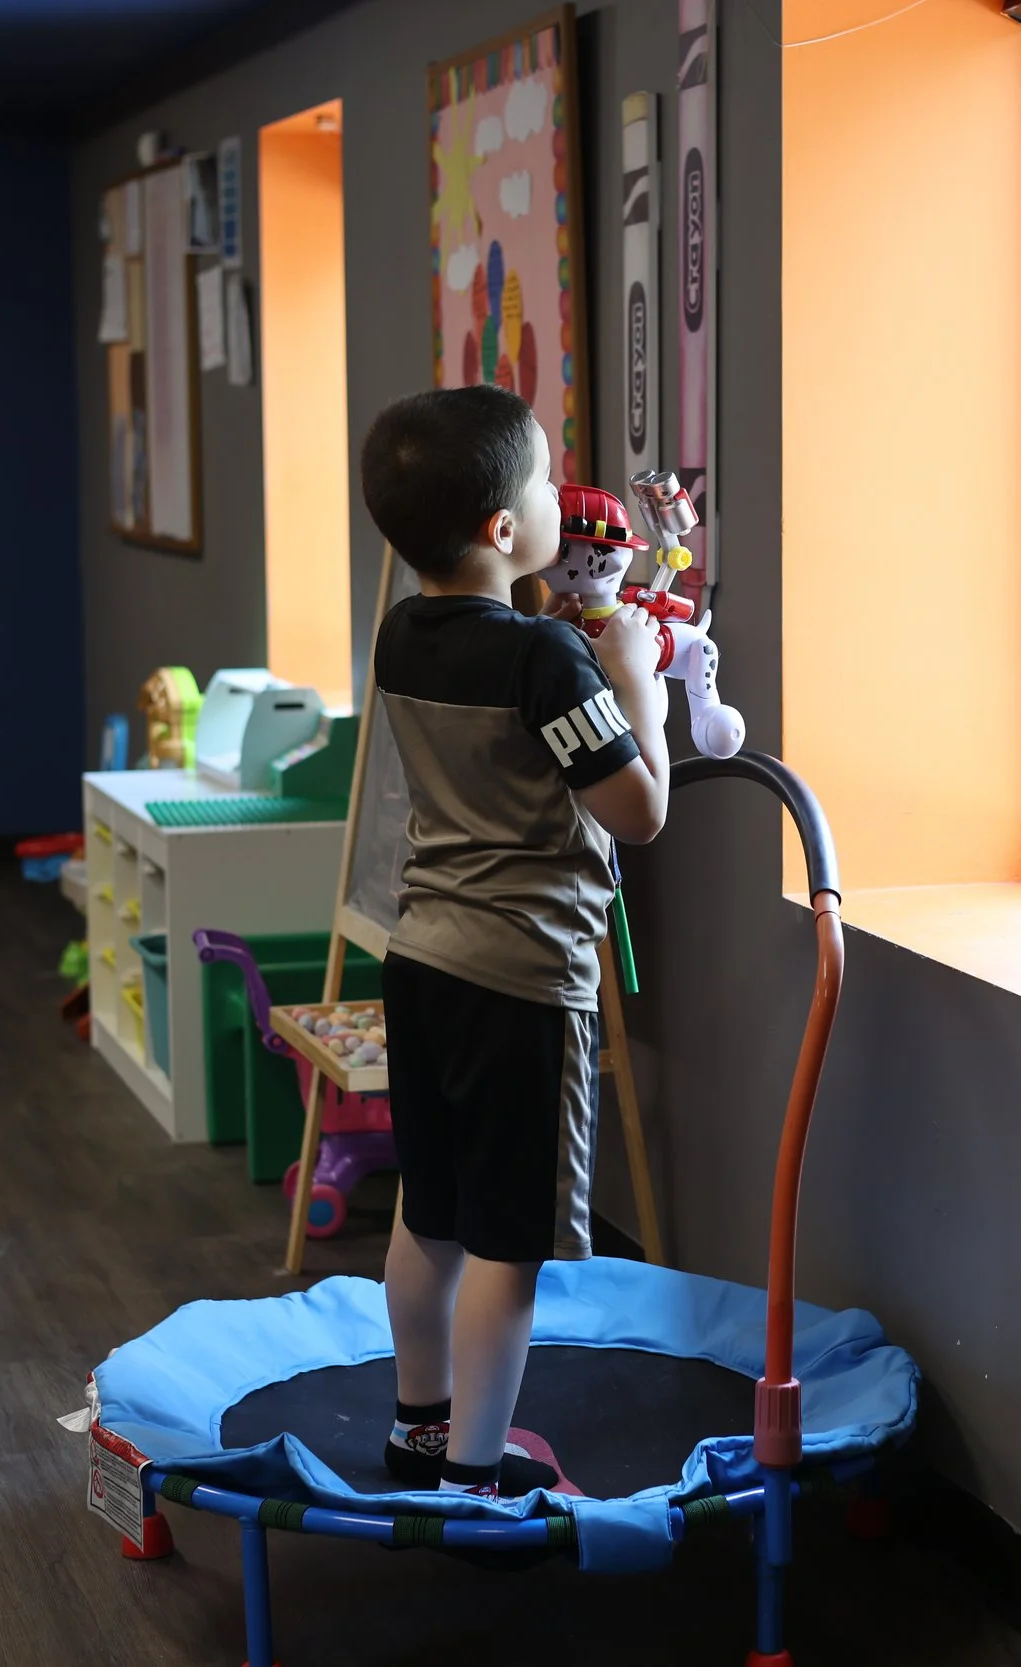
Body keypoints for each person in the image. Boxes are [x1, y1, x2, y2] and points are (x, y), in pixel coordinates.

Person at [356, 385, 672, 1497]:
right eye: (543, 484)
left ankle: (421, 1426)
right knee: (509, 1244)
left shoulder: (401, 633)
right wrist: (637, 684)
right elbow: (637, 811)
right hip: (522, 982)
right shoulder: (547, 661)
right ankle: (482, 1475)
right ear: (503, 530)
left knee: (429, 1213)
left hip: (422, 959)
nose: (553, 498)